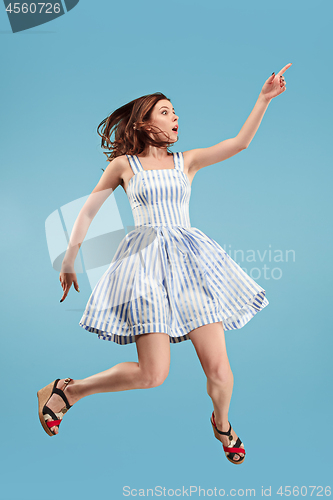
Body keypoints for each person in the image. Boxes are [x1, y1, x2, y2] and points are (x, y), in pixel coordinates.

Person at [37, 63, 291, 464]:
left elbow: (240, 143)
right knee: (152, 375)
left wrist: (264, 99)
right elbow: (87, 212)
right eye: (166, 111)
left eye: (176, 112)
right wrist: (69, 259)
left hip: (191, 264)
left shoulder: (185, 162)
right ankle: (69, 390)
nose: (175, 118)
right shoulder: (124, 166)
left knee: (221, 375)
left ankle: (222, 425)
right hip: (145, 267)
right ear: (143, 122)